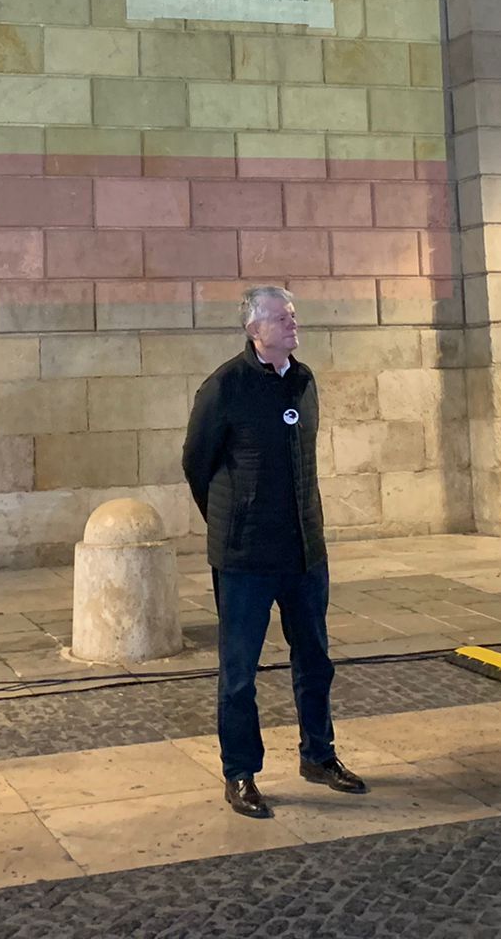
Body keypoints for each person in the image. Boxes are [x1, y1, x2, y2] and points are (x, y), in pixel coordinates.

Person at [183, 285, 366, 819]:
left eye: (293, 316)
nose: (292, 324)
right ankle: (240, 772)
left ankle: (319, 754)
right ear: (253, 329)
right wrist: (231, 518)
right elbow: (197, 463)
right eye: (281, 318)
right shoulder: (225, 386)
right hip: (245, 556)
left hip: (305, 550)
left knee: (315, 659)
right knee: (239, 672)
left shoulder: (304, 380)